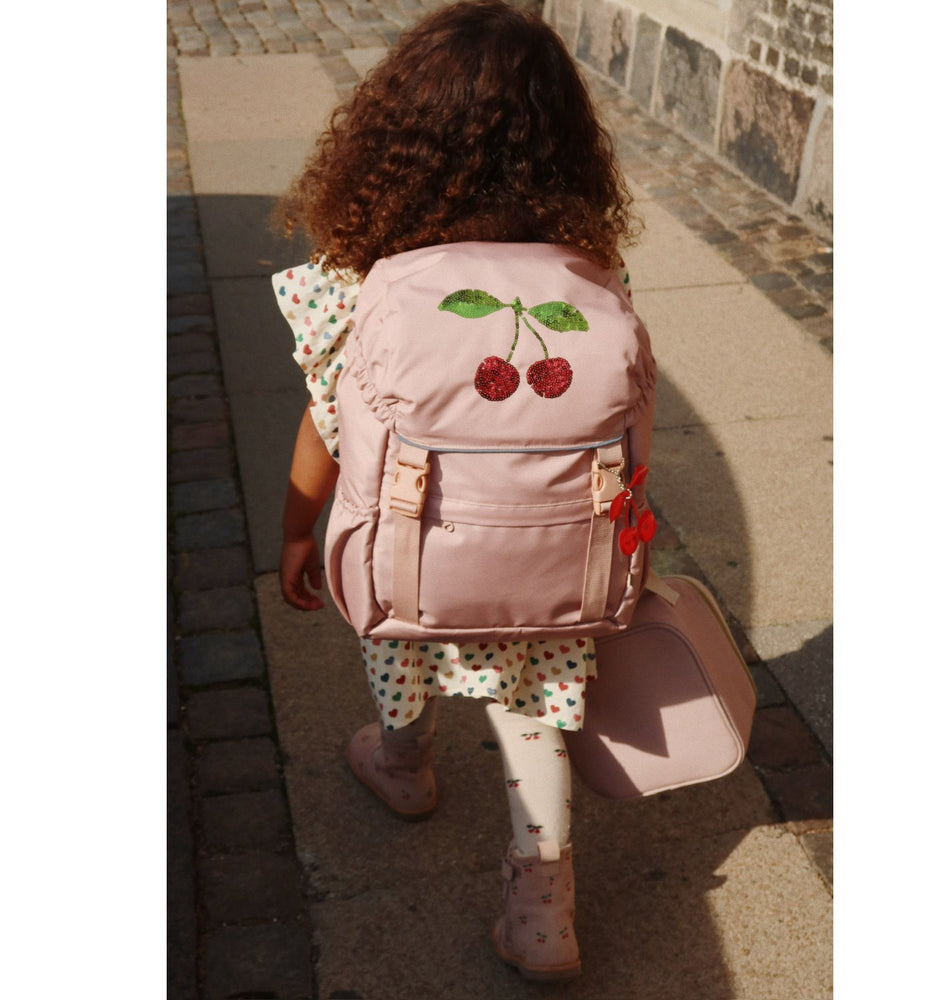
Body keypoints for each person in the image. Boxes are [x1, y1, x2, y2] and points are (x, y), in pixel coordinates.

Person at [272, 0, 651, 982]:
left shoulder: (357, 279)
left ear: (390, 139)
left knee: (401, 643)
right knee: (534, 709)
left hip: (417, 557)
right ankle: (543, 911)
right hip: (555, 564)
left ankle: (403, 764)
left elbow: (324, 425)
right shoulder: (593, 276)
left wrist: (298, 529)